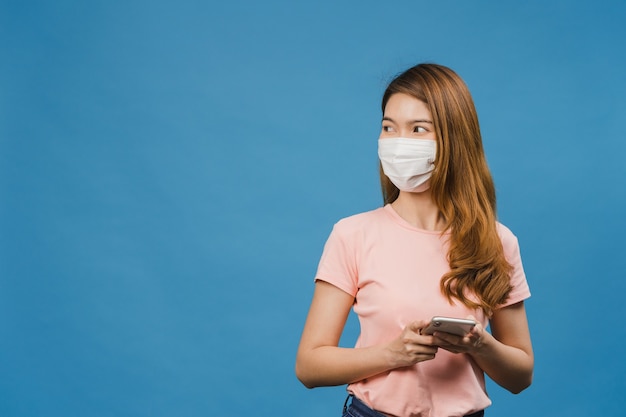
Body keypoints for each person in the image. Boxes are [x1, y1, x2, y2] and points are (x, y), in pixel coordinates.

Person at [295, 63, 533, 417]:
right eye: (388, 127)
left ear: (455, 138)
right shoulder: (352, 234)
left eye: (418, 129)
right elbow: (309, 366)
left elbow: (520, 376)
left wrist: (480, 345)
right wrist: (393, 354)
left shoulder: (497, 241)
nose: (397, 142)